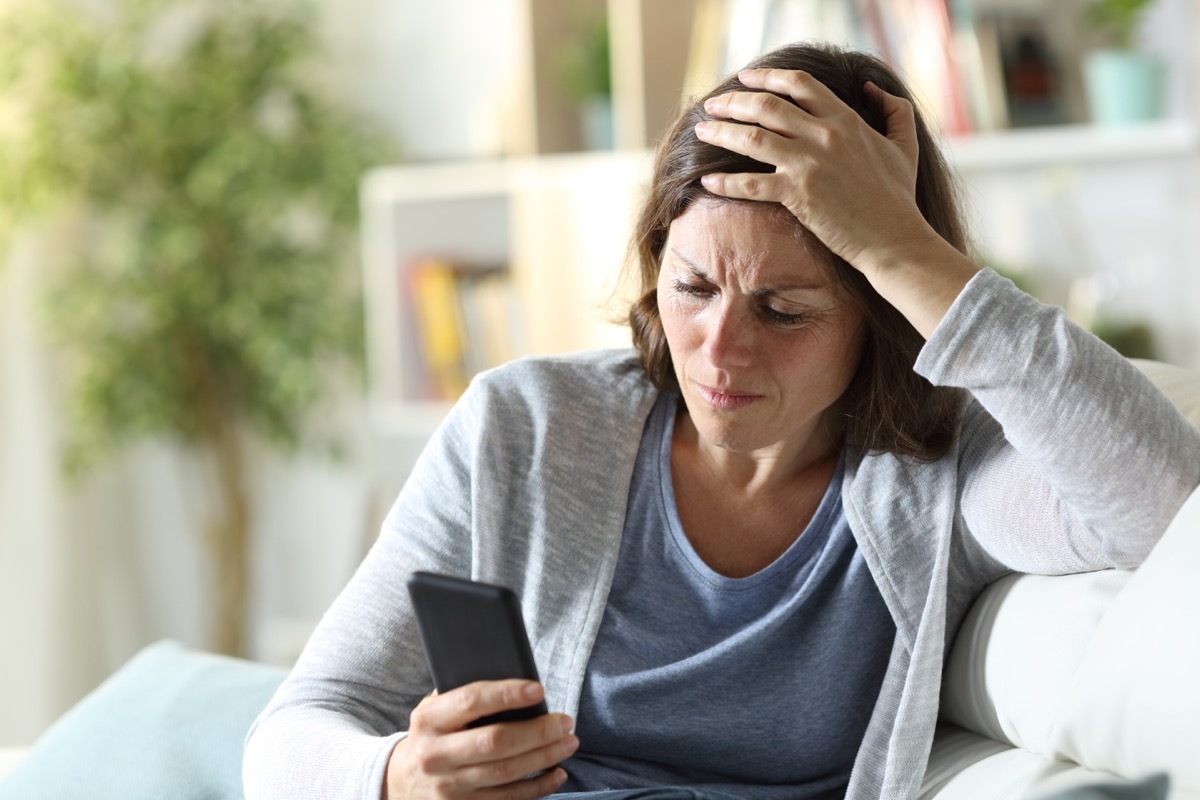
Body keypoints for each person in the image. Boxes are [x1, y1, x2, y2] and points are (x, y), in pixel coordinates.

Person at [243, 43, 1200, 800]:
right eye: (693, 286)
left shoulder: (944, 467)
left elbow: (1163, 508)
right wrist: (392, 778)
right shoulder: (523, 428)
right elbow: (294, 733)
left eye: (785, 311)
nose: (719, 350)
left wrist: (904, 246)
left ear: (881, 314)